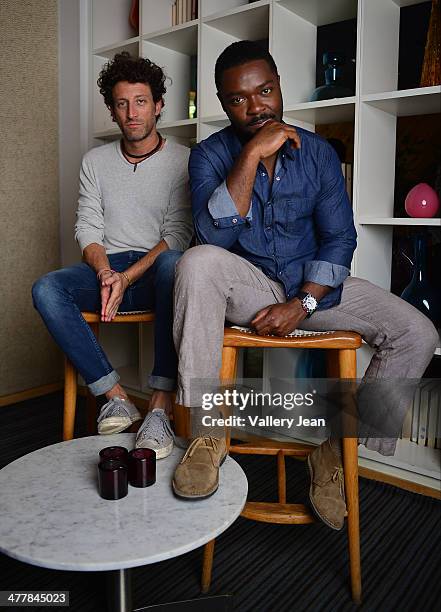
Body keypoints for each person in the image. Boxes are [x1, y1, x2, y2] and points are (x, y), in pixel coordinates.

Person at [171, 41, 439, 525]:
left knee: (417, 333)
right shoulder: (208, 156)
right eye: (238, 99)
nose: (256, 107)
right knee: (196, 263)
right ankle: (207, 433)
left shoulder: (317, 154)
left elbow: (340, 239)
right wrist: (250, 153)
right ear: (222, 102)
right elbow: (210, 236)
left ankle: (336, 450)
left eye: (266, 91)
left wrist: (303, 304)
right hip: (246, 282)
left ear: (279, 86)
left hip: (313, 284)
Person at [32, 52, 193, 458]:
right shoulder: (95, 161)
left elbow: (178, 234)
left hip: (157, 273)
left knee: (178, 264)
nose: (132, 113)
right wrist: (106, 272)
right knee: (47, 288)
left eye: (140, 102)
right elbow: (87, 228)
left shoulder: (184, 161)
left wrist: (128, 277)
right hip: (109, 269)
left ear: (158, 106)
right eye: (122, 104)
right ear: (112, 110)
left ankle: (159, 407)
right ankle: (115, 396)